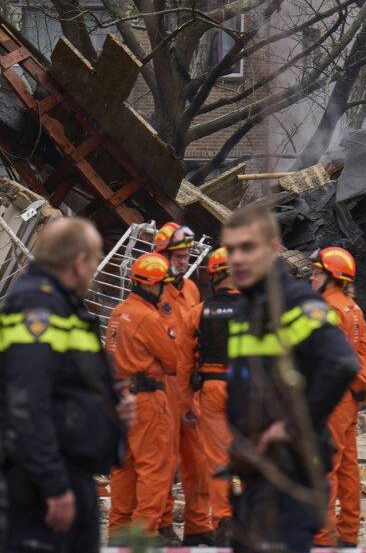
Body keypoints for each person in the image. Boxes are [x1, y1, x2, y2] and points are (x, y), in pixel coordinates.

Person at [222, 204, 359, 553]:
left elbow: (342, 363)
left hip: (290, 473)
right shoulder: (246, 309)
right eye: (231, 249)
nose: (237, 258)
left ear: (273, 248)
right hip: (254, 473)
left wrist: (293, 426)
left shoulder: (296, 303)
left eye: (247, 247)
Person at [1, 218, 129, 552]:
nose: (95, 270)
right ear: (79, 261)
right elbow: (26, 401)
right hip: (41, 486)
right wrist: (53, 485)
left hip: (69, 476)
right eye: (96, 259)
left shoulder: (64, 306)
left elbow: (67, 386)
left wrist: (110, 408)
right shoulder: (38, 305)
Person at [106, 252, 180, 541]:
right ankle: (141, 537)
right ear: (151, 284)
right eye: (164, 285)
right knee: (154, 469)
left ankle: (117, 535)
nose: (165, 291)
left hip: (120, 399)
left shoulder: (118, 312)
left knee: (123, 468)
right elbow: (173, 360)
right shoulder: (148, 317)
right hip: (146, 400)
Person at [310, 246, 366, 548]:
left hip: (330, 398)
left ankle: (323, 537)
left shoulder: (327, 310)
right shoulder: (353, 308)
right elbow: (364, 353)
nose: (311, 278)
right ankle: (348, 532)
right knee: (348, 467)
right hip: (347, 398)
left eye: (316, 273)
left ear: (331, 277)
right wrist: (361, 386)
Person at [153, 221, 213, 544]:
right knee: (163, 458)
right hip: (162, 384)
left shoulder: (190, 289)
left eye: (187, 254)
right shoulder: (151, 290)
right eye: (178, 254)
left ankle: (198, 526)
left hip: (189, 385)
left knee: (197, 458)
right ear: (162, 254)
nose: (184, 259)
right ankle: (163, 523)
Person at [177, 246, 238, 543]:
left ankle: (224, 517)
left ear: (213, 275)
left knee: (217, 459)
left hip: (212, 389)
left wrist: (186, 404)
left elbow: (185, 363)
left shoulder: (198, 312)